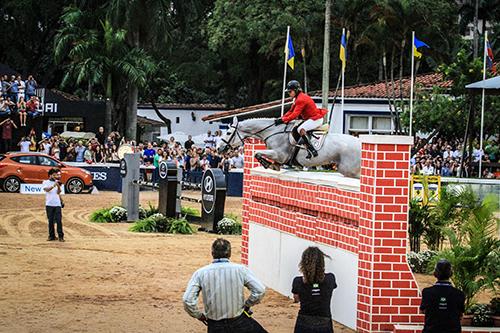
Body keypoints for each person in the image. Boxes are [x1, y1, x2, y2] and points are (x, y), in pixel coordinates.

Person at [183, 238, 267, 333]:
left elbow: (187, 300)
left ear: (212, 253)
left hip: (215, 325)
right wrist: (247, 305)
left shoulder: (200, 273)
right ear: (229, 253)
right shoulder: (240, 270)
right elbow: (260, 290)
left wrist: (199, 315)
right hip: (239, 321)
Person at [275, 80, 327, 159]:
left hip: (315, 119)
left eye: (290, 92)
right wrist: (282, 118)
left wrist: (283, 120)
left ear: (296, 90)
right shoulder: (296, 98)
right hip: (309, 119)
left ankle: (311, 149)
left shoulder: (301, 99)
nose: (289, 94)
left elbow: (295, 115)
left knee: (300, 129)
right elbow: (290, 111)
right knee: (295, 128)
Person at [292, 247, 337, 333]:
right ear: (322, 263)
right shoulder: (330, 279)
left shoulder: (298, 281)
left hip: (304, 323)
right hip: (324, 323)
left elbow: (296, 299)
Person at [420, 259, 465, 333]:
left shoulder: (427, 292)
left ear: (435, 273)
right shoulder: (459, 294)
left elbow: (423, 311)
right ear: (451, 273)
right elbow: (460, 315)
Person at [42, 168, 65, 242]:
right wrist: (53, 186)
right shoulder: (46, 182)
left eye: (56, 175)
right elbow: (46, 190)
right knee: (50, 221)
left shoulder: (57, 182)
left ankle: (61, 236)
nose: (56, 176)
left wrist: (61, 201)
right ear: (50, 175)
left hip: (57, 204)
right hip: (49, 204)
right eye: (54, 175)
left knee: (59, 220)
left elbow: (58, 192)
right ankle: (51, 236)